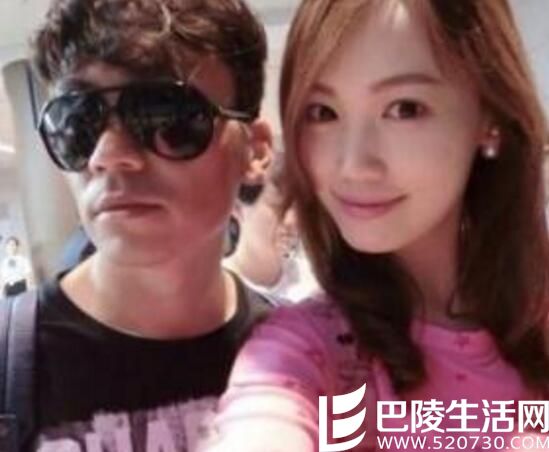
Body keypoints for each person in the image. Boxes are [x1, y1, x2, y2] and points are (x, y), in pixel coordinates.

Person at [203, 1, 549, 450]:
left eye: (404, 108)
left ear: (490, 116)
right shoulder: (317, 352)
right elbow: (265, 416)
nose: (354, 164)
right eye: (323, 112)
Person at [20, 0, 273, 450]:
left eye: (165, 114)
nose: (107, 155)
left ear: (254, 150)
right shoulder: (12, 362)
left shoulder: (315, 357)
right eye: (78, 122)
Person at [224, 152, 319, 303]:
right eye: (278, 206)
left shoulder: (314, 282)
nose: (292, 221)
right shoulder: (219, 293)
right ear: (237, 208)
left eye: (299, 208)